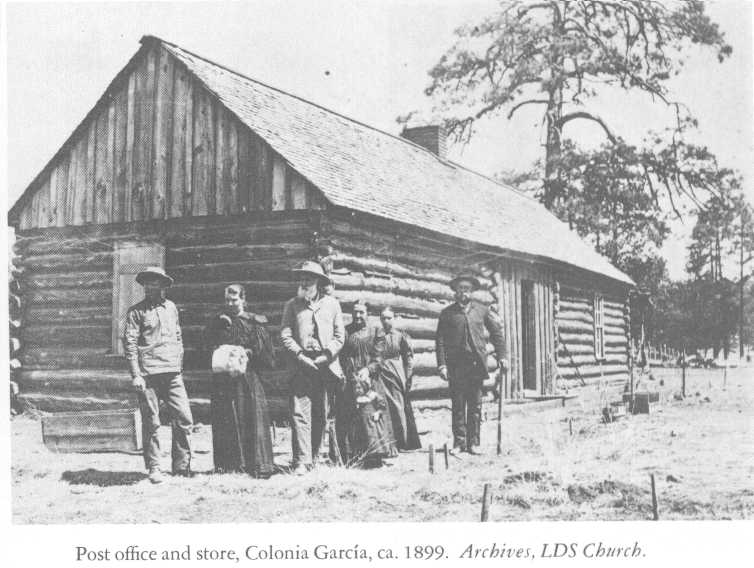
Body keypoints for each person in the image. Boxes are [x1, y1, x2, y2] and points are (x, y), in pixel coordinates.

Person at [124, 267, 192, 484]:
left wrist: (178, 363)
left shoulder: (171, 308)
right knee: (152, 422)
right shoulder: (136, 312)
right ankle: (154, 467)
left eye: (155, 283)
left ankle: (181, 466)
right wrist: (136, 374)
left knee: (184, 419)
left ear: (163, 286)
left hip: (172, 373)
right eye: (147, 283)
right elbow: (130, 344)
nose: (150, 287)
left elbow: (178, 336)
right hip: (148, 374)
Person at [280, 261, 345, 474]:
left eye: (308, 278)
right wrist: (299, 355)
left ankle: (314, 458)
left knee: (320, 413)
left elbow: (339, 336)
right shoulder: (292, 305)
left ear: (318, 281)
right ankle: (301, 461)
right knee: (299, 412)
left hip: (324, 366)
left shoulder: (332, 305)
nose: (304, 282)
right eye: (302, 278)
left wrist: (326, 355)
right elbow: (285, 334)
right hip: (301, 365)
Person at [206, 284, 275, 478]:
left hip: (248, 381)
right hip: (224, 381)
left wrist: (248, 352)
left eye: (234, 299)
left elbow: (266, 354)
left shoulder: (253, 322)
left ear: (243, 300)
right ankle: (230, 465)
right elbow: (206, 347)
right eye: (227, 300)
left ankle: (255, 465)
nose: (230, 303)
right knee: (227, 418)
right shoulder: (218, 322)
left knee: (249, 418)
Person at [436, 274, 507, 455]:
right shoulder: (447, 314)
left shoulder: (481, 310)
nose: (464, 292)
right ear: (455, 291)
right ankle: (459, 443)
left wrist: (503, 356)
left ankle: (473, 443)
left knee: (475, 406)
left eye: (467, 289)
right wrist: (442, 365)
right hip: (456, 366)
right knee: (458, 405)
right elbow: (440, 341)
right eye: (460, 288)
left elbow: (497, 334)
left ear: (472, 291)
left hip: (476, 365)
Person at [338, 300, 397, 467]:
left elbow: (379, 357)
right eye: (355, 312)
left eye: (361, 312)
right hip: (351, 380)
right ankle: (355, 455)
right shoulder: (346, 331)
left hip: (371, 380)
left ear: (368, 314)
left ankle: (376, 455)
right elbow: (342, 355)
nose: (357, 316)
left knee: (372, 416)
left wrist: (368, 370)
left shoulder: (376, 331)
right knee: (353, 417)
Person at [376, 307, 421, 451]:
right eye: (383, 318)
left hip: (396, 372)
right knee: (383, 407)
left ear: (394, 319)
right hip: (380, 372)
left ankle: (403, 442)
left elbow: (408, 358)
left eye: (389, 318)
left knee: (398, 406)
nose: (386, 321)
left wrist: (408, 377)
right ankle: (388, 443)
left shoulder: (400, 336)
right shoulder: (376, 335)